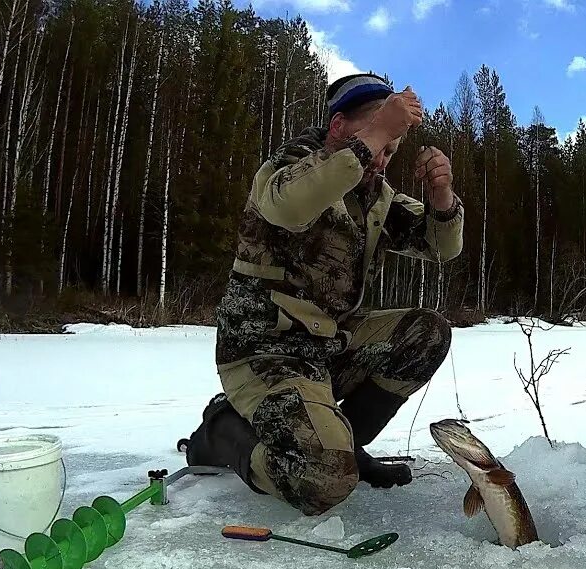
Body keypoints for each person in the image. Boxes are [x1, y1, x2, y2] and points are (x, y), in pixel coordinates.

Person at [182, 72, 465, 516]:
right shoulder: (289, 167)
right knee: (321, 479)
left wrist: (441, 196)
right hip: (265, 351)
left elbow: (440, 247)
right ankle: (225, 432)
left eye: (391, 151)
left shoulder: (375, 195)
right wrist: (375, 136)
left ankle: (344, 445)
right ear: (338, 127)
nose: (381, 161)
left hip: (328, 348)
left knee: (426, 333)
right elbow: (290, 203)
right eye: (377, 143)